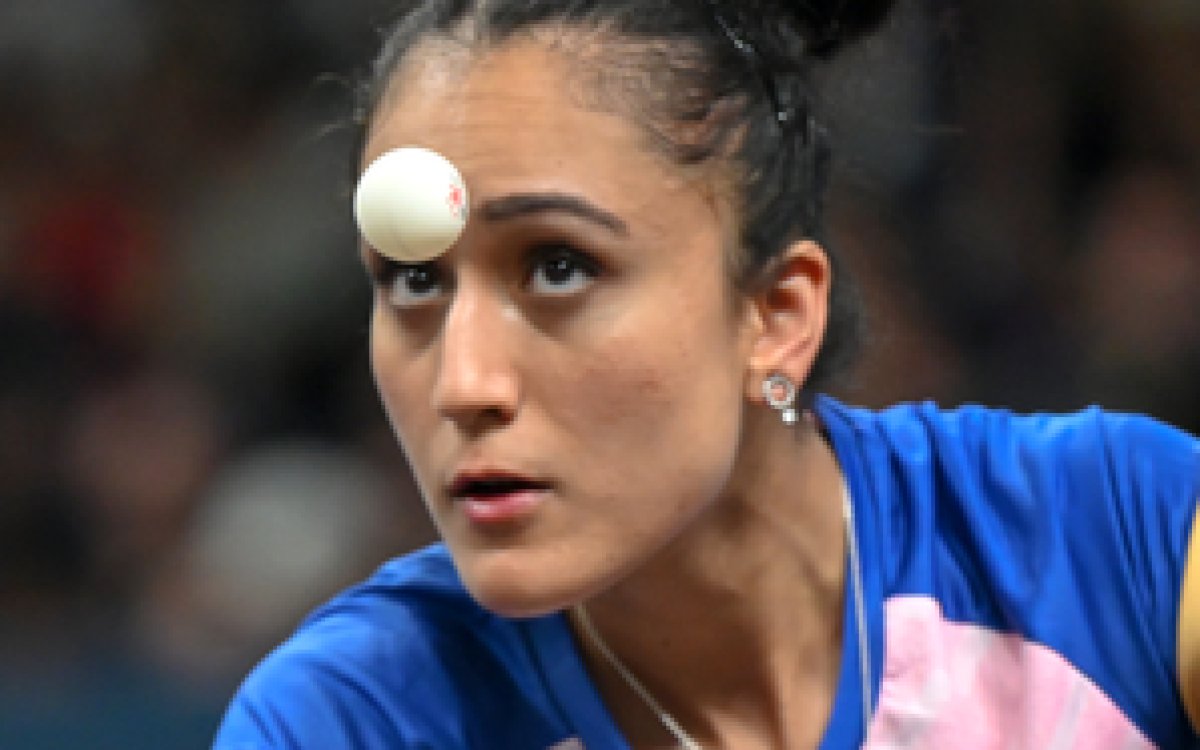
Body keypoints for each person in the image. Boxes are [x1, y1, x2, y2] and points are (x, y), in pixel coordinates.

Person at [213, 1, 1200, 747]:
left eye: (558, 267)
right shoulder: (347, 720)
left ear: (776, 317)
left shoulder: (1121, 533)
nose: (463, 383)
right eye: (414, 282)